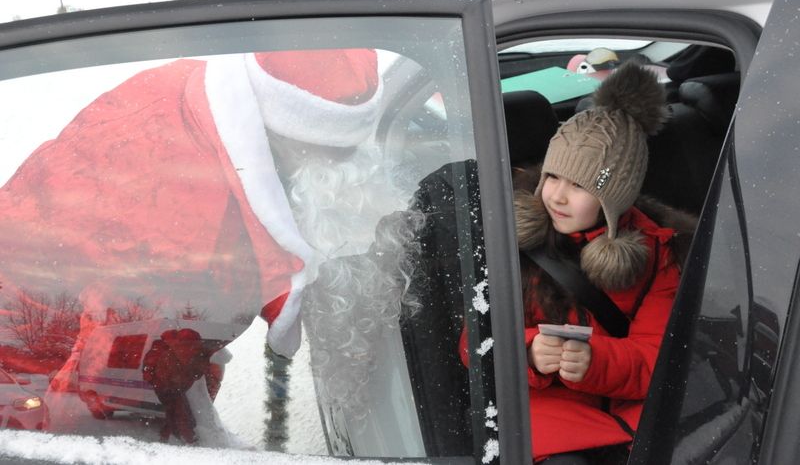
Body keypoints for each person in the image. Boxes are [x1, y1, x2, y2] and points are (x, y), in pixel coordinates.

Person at [0, 47, 416, 442]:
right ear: (295, 153)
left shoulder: (191, 92)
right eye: (340, 163)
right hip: (23, 388)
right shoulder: (192, 256)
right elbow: (100, 417)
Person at [483, 62, 692, 463]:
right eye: (554, 177)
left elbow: (655, 360)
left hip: (627, 413)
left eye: (579, 186)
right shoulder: (514, 238)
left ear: (616, 196)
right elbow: (476, 341)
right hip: (547, 414)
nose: (558, 196)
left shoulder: (660, 253)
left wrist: (595, 362)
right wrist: (528, 353)